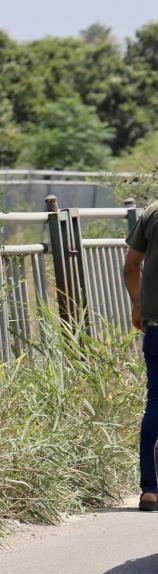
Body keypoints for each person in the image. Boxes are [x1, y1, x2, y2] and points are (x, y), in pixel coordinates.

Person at [124, 199, 158, 511]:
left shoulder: (151, 212)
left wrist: (138, 303)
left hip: (157, 326)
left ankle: (150, 489)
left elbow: (131, 265)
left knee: (156, 403)